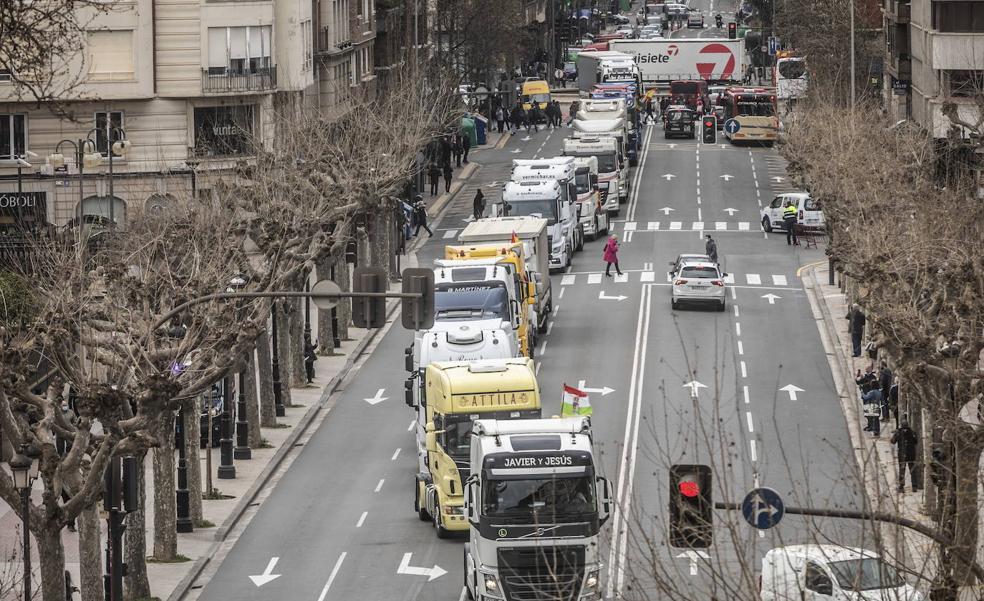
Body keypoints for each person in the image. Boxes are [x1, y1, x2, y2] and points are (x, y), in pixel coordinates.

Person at [891, 418, 919, 492]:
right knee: (912, 470)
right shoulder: (912, 432)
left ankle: (901, 487)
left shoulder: (899, 432)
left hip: (902, 455)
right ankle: (914, 486)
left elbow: (893, 441)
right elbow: (916, 441)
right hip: (911, 454)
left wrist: (895, 435)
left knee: (902, 470)